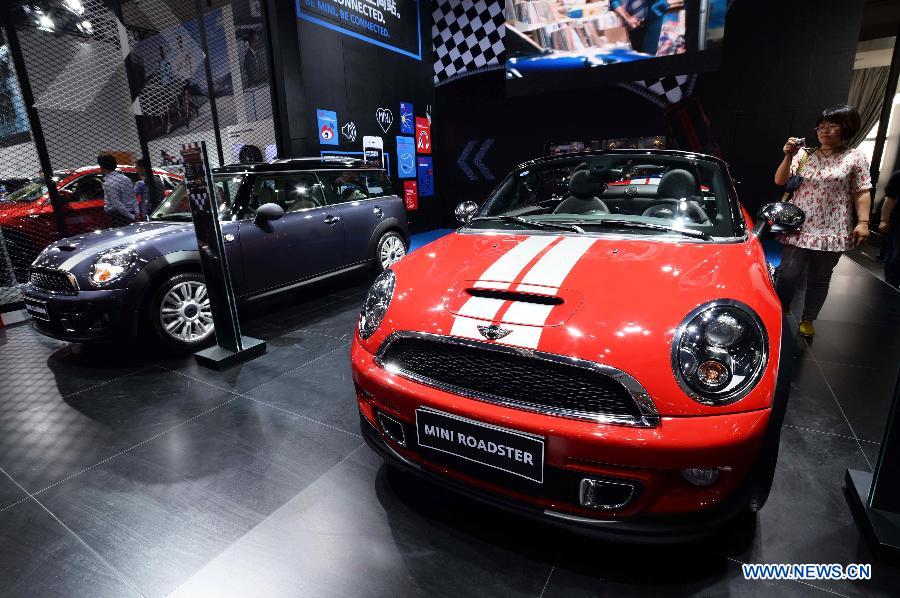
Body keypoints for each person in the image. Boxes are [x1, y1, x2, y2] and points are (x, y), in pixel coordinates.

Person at [774, 104, 872, 337]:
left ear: (846, 128)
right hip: (800, 225)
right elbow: (780, 180)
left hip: (833, 228)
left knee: (820, 279)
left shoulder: (854, 157)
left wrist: (863, 222)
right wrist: (788, 155)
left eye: (832, 125)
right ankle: (780, 310)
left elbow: (862, 191)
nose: (824, 130)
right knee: (787, 274)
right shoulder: (804, 154)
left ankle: (808, 319)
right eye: (821, 126)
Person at [610, 0, 683, 56]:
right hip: (631, 20)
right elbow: (614, 2)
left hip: (655, 14)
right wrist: (626, 18)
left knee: (651, 55)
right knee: (639, 57)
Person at [98, 154, 137, 228]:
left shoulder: (108, 183)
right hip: (131, 211)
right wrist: (136, 212)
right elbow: (133, 197)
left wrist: (131, 216)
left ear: (101, 167)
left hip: (117, 215)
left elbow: (116, 204)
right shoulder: (126, 178)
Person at [879, 170, 899, 287]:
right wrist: (884, 220)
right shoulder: (898, 176)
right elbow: (889, 199)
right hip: (898, 222)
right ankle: (891, 287)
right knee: (894, 255)